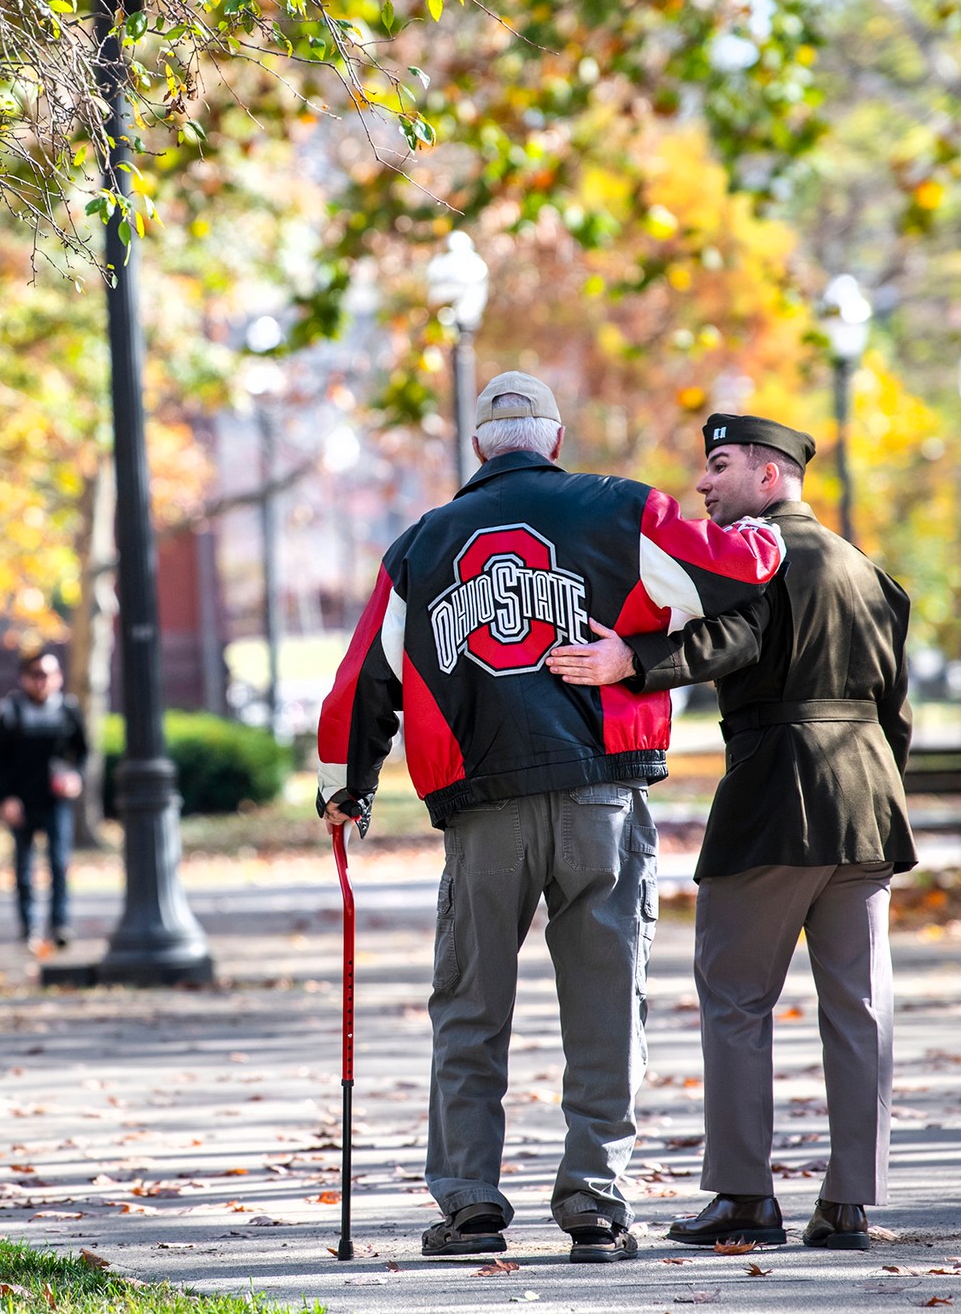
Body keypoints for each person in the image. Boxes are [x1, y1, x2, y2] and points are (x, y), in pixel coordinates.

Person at [316, 373, 786, 1264]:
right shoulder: (622, 509)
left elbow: (362, 682)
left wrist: (349, 783)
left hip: (480, 805)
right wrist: (762, 532)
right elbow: (736, 568)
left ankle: (469, 1207)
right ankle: (597, 1206)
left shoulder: (419, 547)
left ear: (480, 451)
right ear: (557, 439)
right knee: (608, 1003)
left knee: (469, 1008)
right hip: (601, 800)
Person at [549, 412, 915, 1253]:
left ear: (770, 475)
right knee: (859, 1007)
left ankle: (747, 1195)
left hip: (775, 801)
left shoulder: (760, 552)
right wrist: (882, 794)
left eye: (719, 466)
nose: (705, 484)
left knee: (737, 999)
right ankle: (851, 1200)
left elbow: (733, 635)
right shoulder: (869, 571)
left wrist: (632, 661)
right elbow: (896, 714)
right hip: (869, 808)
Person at [0, 648, 87, 952]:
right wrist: (5, 799)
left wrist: (73, 776)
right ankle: (28, 926)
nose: (43, 682)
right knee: (24, 868)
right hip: (22, 801)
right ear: (24, 678)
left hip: (55, 801)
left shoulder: (67, 710)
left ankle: (59, 924)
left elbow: (82, 751)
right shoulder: (12, 713)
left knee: (59, 864)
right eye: (36, 675)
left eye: (49, 675)